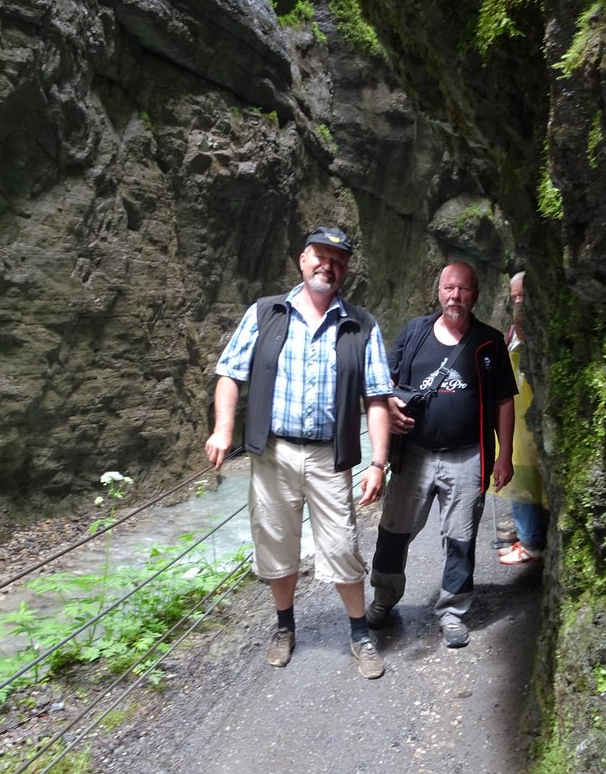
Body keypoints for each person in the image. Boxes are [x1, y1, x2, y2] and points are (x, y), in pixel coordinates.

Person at [205, 225, 393, 679]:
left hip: (331, 457)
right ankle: (285, 626)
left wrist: (378, 463)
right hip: (273, 453)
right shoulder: (266, 313)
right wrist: (223, 429)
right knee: (276, 542)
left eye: (338, 260)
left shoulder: (361, 325)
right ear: (302, 260)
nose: (328, 265)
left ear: (345, 270)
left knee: (343, 547)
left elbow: (377, 398)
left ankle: (359, 631)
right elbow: (231, 373)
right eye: (320, 256)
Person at [366, 262, 517, 648]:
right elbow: (384, 384)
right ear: (439, 291)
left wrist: (505, 455)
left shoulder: (489, 342)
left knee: (461, 538)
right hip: (414, 455)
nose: (455, 296)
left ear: (475, 295)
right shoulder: (415, 332)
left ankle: (452, 611)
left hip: (467, 456)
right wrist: (391, 409)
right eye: (449, 288)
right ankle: (384, 597)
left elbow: (503, 401)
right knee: (393, 533)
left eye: (463, 290)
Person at [495, 270, 549, 565]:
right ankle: (529, 536)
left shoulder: (529, 327)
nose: (518, 302)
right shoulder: (515, 329)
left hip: (528, 414)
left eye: (523, 296)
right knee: (520, 474)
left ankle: (531, 542)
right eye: (514, 296)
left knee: (525, 476)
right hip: (518, 413)